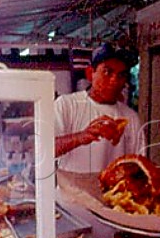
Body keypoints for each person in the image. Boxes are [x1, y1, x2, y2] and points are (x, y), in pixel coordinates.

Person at [54, 42, 146, 173]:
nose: (115, 80)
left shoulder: (131, 117)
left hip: (113, 192)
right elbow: (44, 150)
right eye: (107, 72)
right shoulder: (66, 104)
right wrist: (80, 137)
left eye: (121, 75)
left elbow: (139, 165)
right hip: (71, 192)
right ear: (90, 73)